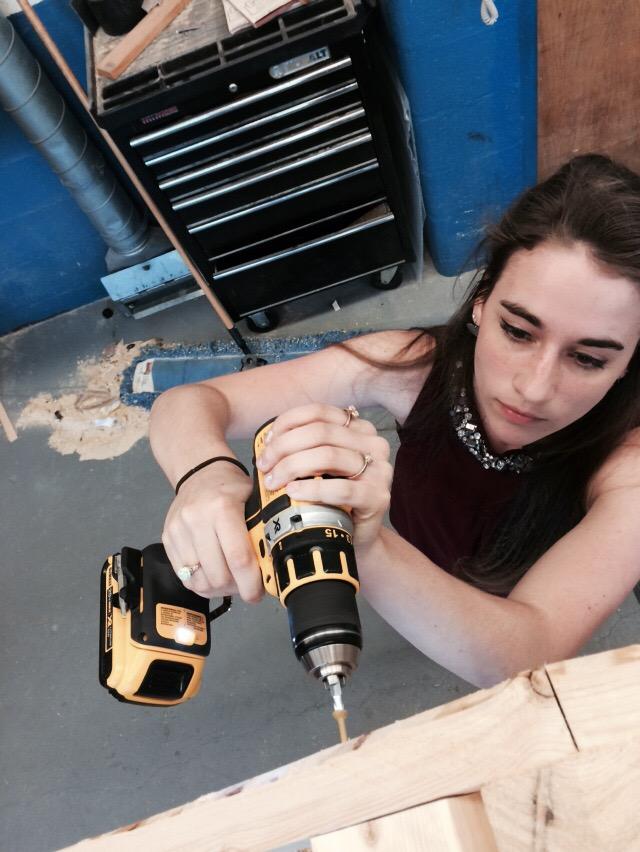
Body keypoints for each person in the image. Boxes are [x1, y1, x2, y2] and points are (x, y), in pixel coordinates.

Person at [149, 154, 640, 688]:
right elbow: (186, 404)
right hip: (420, 551)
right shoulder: (410, 364)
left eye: (589, 359)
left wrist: (369, 547)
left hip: (523, 591)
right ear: (481, 302)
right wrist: (206, 475)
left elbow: (522, 655)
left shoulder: (628, 469)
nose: (535, 387)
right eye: (518, 331)